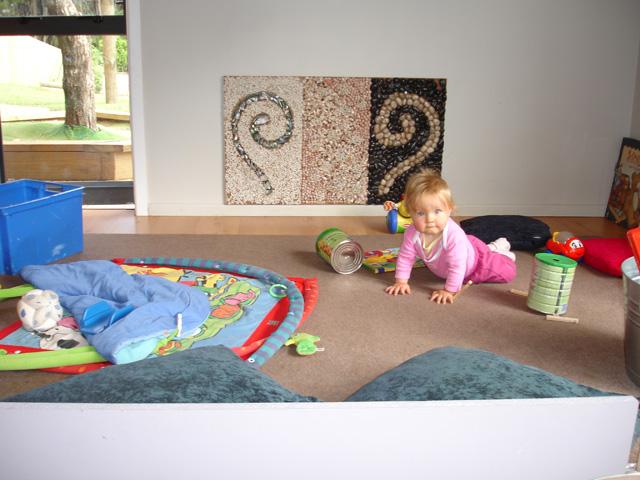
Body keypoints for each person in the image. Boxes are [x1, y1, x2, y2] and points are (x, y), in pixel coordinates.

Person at [385, 169, 516, 304]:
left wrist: (449, 290)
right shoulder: (411, 233)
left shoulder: (454, 237)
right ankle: (493, 247)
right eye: (420, 213)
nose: (430, 219)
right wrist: (401, 282)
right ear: (410, 213)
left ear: (449, 210)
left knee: (508, 272)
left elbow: (458, 266)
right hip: (466, 246)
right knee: (480, 249)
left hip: (475, 264)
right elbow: (406, 257)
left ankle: (503, 254)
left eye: (437, 211)